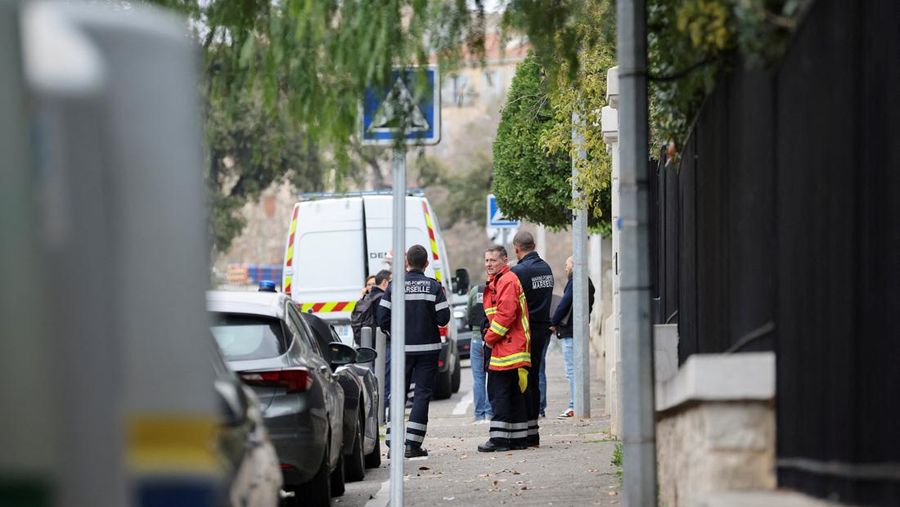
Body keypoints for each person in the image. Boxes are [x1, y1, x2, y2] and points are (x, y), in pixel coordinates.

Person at [376, 245, 450, 458]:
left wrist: (395, 332)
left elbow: (382, 317)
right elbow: (443, 318)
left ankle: (393, 444)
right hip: (428, 350)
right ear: (426, 264)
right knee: (421, 395)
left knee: (397, 394)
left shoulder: (394, 286)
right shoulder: (434, 287)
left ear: (407, 262)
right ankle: (412, 445)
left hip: (401, 350)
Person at [478, 245, 531, 452]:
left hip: (507, 346)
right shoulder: (500, 281)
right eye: (486, 260)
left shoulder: (507, 281)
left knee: (498, 393)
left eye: (493, 260)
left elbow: (505, 316)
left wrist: (489, 339)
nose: (488, 264)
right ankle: (518, 439)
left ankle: (499, 439)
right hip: (511, 346)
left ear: (505, 260)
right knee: (514, 394)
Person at [510, 231, 554, 446]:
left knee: (522, 380)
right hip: (543, 331)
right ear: (534, 244)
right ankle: (533, 431)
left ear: (516, 249)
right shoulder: (546, 268)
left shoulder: (519, 272)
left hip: (525, 333)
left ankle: (524, 431)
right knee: (535, 379)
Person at [550, 257, 595, 418]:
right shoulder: (587, 282)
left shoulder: (575, 282)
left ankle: (575, 404)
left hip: (570, 331)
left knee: (572, 371)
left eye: (567, 265)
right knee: (577, 369)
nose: (565, 268)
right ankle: (577, 403)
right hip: (579, 330)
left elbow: (564, 304)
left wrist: (553, 321)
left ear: (575, 265)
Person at [466, 280, 492, 423]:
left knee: (478, 378)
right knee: (491, 377)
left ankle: (479, 415)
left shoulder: (476, 290)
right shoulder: (497, 288)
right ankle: (490, 413)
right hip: (491, 338)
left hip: (476, 338)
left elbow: (468, 313)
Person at [350, 275, 377, 343]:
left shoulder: (378, 297)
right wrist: (362, 298)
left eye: (373, 284)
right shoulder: (364, 300)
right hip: (365, 335)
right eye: (369, 284)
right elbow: (356, 318)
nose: (371, 286)